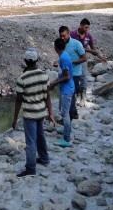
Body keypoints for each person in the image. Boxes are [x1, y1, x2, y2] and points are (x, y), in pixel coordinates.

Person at [12, 48, 55, 177]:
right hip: (41, 112)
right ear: (37, 60)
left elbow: (19, 100)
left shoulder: (22, 78)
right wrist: (50, 113)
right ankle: (44, 158)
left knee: (30, 141)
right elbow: (47, 96)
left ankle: (30, 169)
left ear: (25, 61)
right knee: (40, 136)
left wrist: (14, 119)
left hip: (30, 115)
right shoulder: (44, 75)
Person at [70, 18, 107, 106]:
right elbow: (72, 47)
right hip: (73, 60)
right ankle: (75, 95)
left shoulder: (88, 36)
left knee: (84, 78)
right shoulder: (72, 34)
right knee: (74, 78)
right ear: (81, 25)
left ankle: (83, 97)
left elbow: (93, 49)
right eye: (85, 27)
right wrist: (89, 50)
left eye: (88, 28)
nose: (86, 30)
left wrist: (101, 58)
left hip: (83, 60)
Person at [49, 38, 75, 148]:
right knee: (61, 109)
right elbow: (63, 72)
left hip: (67, 89)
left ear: (56, 48)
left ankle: (66, 139)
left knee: (65, 114)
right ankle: (66, 129)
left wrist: (55, 83)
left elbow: (67, 76)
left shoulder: (63, 58)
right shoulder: (63, 55)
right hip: (65, 88)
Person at [58, 26, 86, 120]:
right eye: (61, 36)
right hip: (64, 72)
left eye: (64, 36)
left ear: (69, 33)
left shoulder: (76, 44)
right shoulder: (61, 44)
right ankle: (70, 114)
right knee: (65, 94)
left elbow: (84, 58)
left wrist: (71, 62)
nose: (62, 38)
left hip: (75, 73)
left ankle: (71, 116)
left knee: (71, 95)